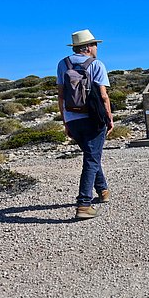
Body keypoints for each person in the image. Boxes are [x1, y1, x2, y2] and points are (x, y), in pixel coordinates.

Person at [57, 29, 114, 219]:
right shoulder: (97, 65)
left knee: (91, 154)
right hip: (93, 118)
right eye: (95, 44)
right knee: (91, 158)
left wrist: (66, 122)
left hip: (72, 118)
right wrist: (109, 117)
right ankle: (83, 204)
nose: (97, 48)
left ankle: (103, 190)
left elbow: (61, 96)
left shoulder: (62, 64)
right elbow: (104, 96)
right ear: (88, 47)